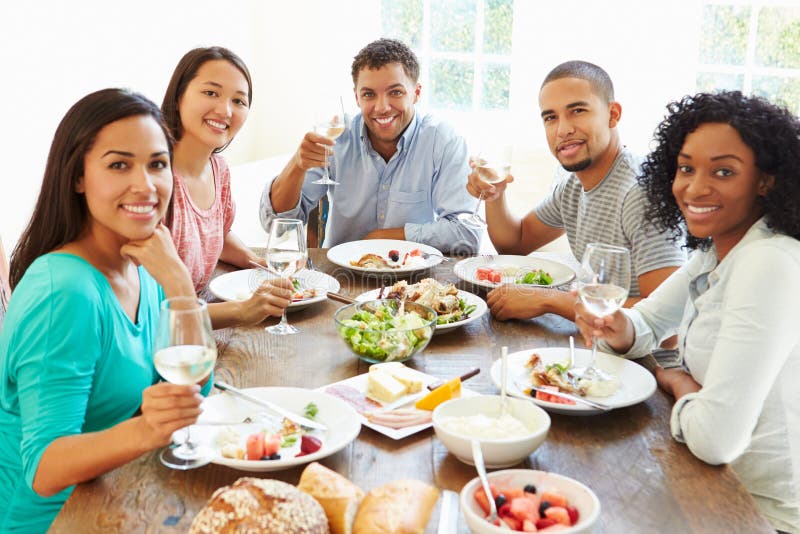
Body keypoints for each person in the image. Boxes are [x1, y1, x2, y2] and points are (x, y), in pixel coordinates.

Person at [574, 91, 800, 532]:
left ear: (766, 181)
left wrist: (677, 382)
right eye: (686, 168)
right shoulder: (719, 251)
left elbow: (716, 440)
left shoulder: (769, 262)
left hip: (760, 515)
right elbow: (645, 322)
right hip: (715, 487)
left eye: (723, 171)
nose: (695, 188)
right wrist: (618, 325)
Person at [0, 89, 213, 532]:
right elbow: (44, 468)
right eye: (119, 165)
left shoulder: (145, 265)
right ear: (78, 177)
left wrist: (178, 283)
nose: (146, 185)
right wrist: (147, 429)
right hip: (53, 521)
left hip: (117, 497)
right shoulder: (65, 292)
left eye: (157, 164)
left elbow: (193, 389)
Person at [468, 60, 684, 321]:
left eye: (578, 111)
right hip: (597, 338)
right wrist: (495, 194)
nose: (563, 130)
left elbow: (666, 316)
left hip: (645, 349)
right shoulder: (573, 185)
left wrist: (550, 300)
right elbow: (515, 243)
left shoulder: (641, 193)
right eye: (551, 117)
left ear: (613, 114)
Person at [260, 38, 480, 254]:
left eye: (395, 92)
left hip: (415, 272)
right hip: (340, 272)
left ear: (416, 93)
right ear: (357, 98)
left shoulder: (443, 141)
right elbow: (276, 223)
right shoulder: (336, 139)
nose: (382, 107)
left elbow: (467, 234)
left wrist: (385, 238)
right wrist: (297, 165)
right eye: (369, 94)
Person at [161, 46, 292, 328]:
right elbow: (150, 316)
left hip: (199, 326)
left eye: (238, 101)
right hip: (163, 337)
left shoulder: (218, 169)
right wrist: (242, 310)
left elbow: (218, 232)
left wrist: (255, 261)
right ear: (179, 96)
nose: (225, 110)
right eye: (211, 93)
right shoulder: (156, 180)